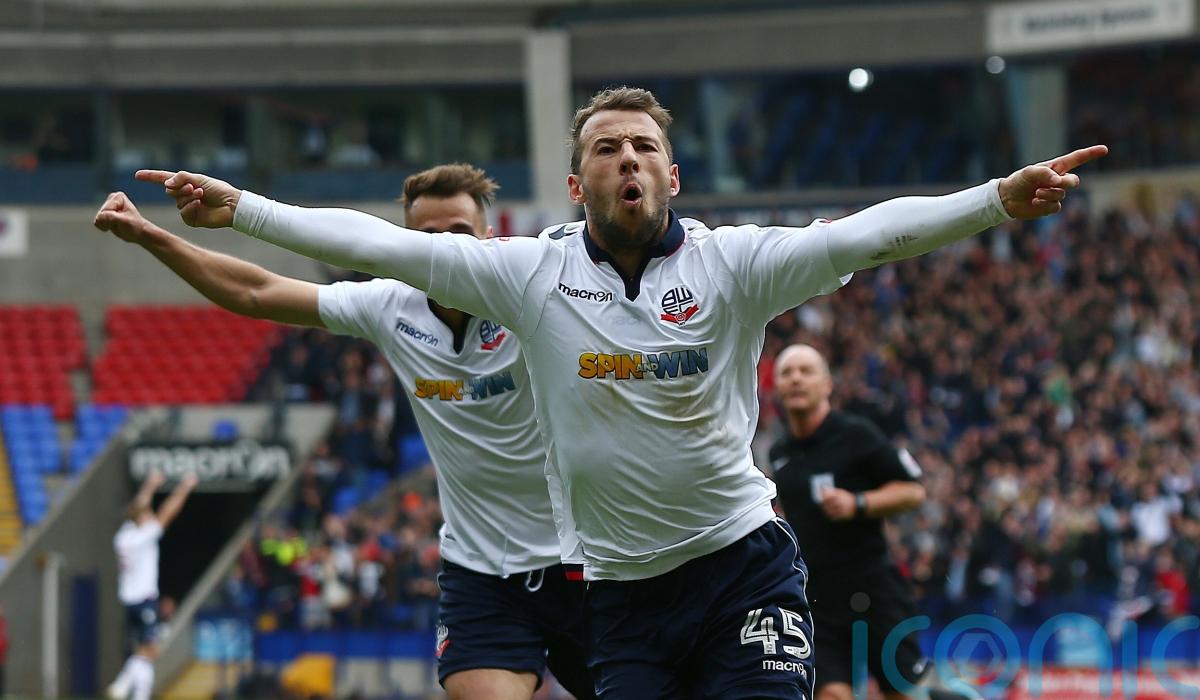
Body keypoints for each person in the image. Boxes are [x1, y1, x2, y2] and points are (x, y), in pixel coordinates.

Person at [119, 86, 1106, 698]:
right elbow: (373, 245)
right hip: (620, 593)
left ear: (672, 173)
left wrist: (995, 201)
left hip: (739, 566)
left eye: (641, 146)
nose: (626, 158)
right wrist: (240, 209)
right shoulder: (522, 275)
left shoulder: (736, 265)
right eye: (605, 147)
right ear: (575, 182)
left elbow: (868, 234)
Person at [92, 164, 594, 700]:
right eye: (427, 237)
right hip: (482, 572)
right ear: (403, 249)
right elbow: (257, 291)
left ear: (490, 240)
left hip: (584, 561)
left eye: (459, 234)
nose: (445, 249)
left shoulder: (530, 297)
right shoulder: (389, 306)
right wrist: (152, 237)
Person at [770, 344, 975, 700]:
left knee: (903, 693)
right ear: (777, 387)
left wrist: (859, 503)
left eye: (806, 371)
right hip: (818, 599)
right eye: (787, 373)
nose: (796, 379)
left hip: (872, 590)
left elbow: (913, 491)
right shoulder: (779, 452)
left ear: (827, 384)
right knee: (830, 695)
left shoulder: (856, 434)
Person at [108, 470, 198, 700]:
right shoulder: (143, 536)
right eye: (148, 514)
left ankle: (140, 695)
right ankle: (123, 682)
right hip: (144, 599)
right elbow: (168, 512)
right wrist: (185, 487)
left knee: (145, 651)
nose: (151, 515)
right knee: (150, 649)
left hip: (128, 599)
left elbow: (139, 505)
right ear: (141, 519)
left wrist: (150, 484)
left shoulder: (123, 536)